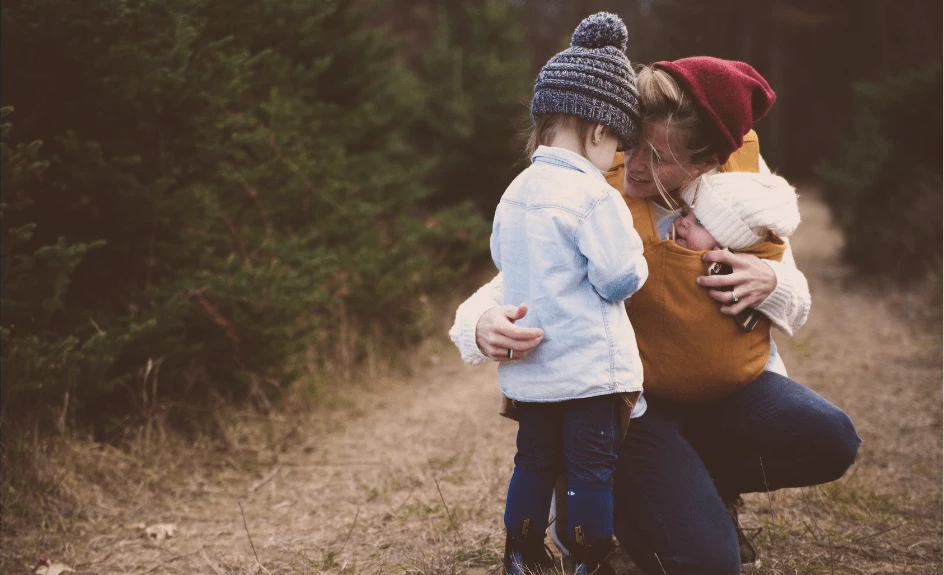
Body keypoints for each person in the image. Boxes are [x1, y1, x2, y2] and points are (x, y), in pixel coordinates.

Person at [450, 56, 861, 573]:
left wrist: (771, 282)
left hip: (718, 392)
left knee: (831, 438)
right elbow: (514, 276)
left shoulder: (741, 193)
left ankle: (698, 486)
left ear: (707, 161)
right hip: (628, 408)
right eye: (632, 144)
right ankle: (599, 484)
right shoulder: (591, 187)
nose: (636, 166)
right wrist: (479, 322)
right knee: (708, 565)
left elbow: (796, 299)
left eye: (660, 157)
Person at [490, 13, 647, 575]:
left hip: (533, 366)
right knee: (589, 468)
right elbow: (618, 277)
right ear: (599, 130)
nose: (617, 161)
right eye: (619, 148)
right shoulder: (592, 193)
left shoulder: (516, 190)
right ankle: (592, 556)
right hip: (588, 368)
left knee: (532, 460)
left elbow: (500, 260)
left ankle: (522, 552)